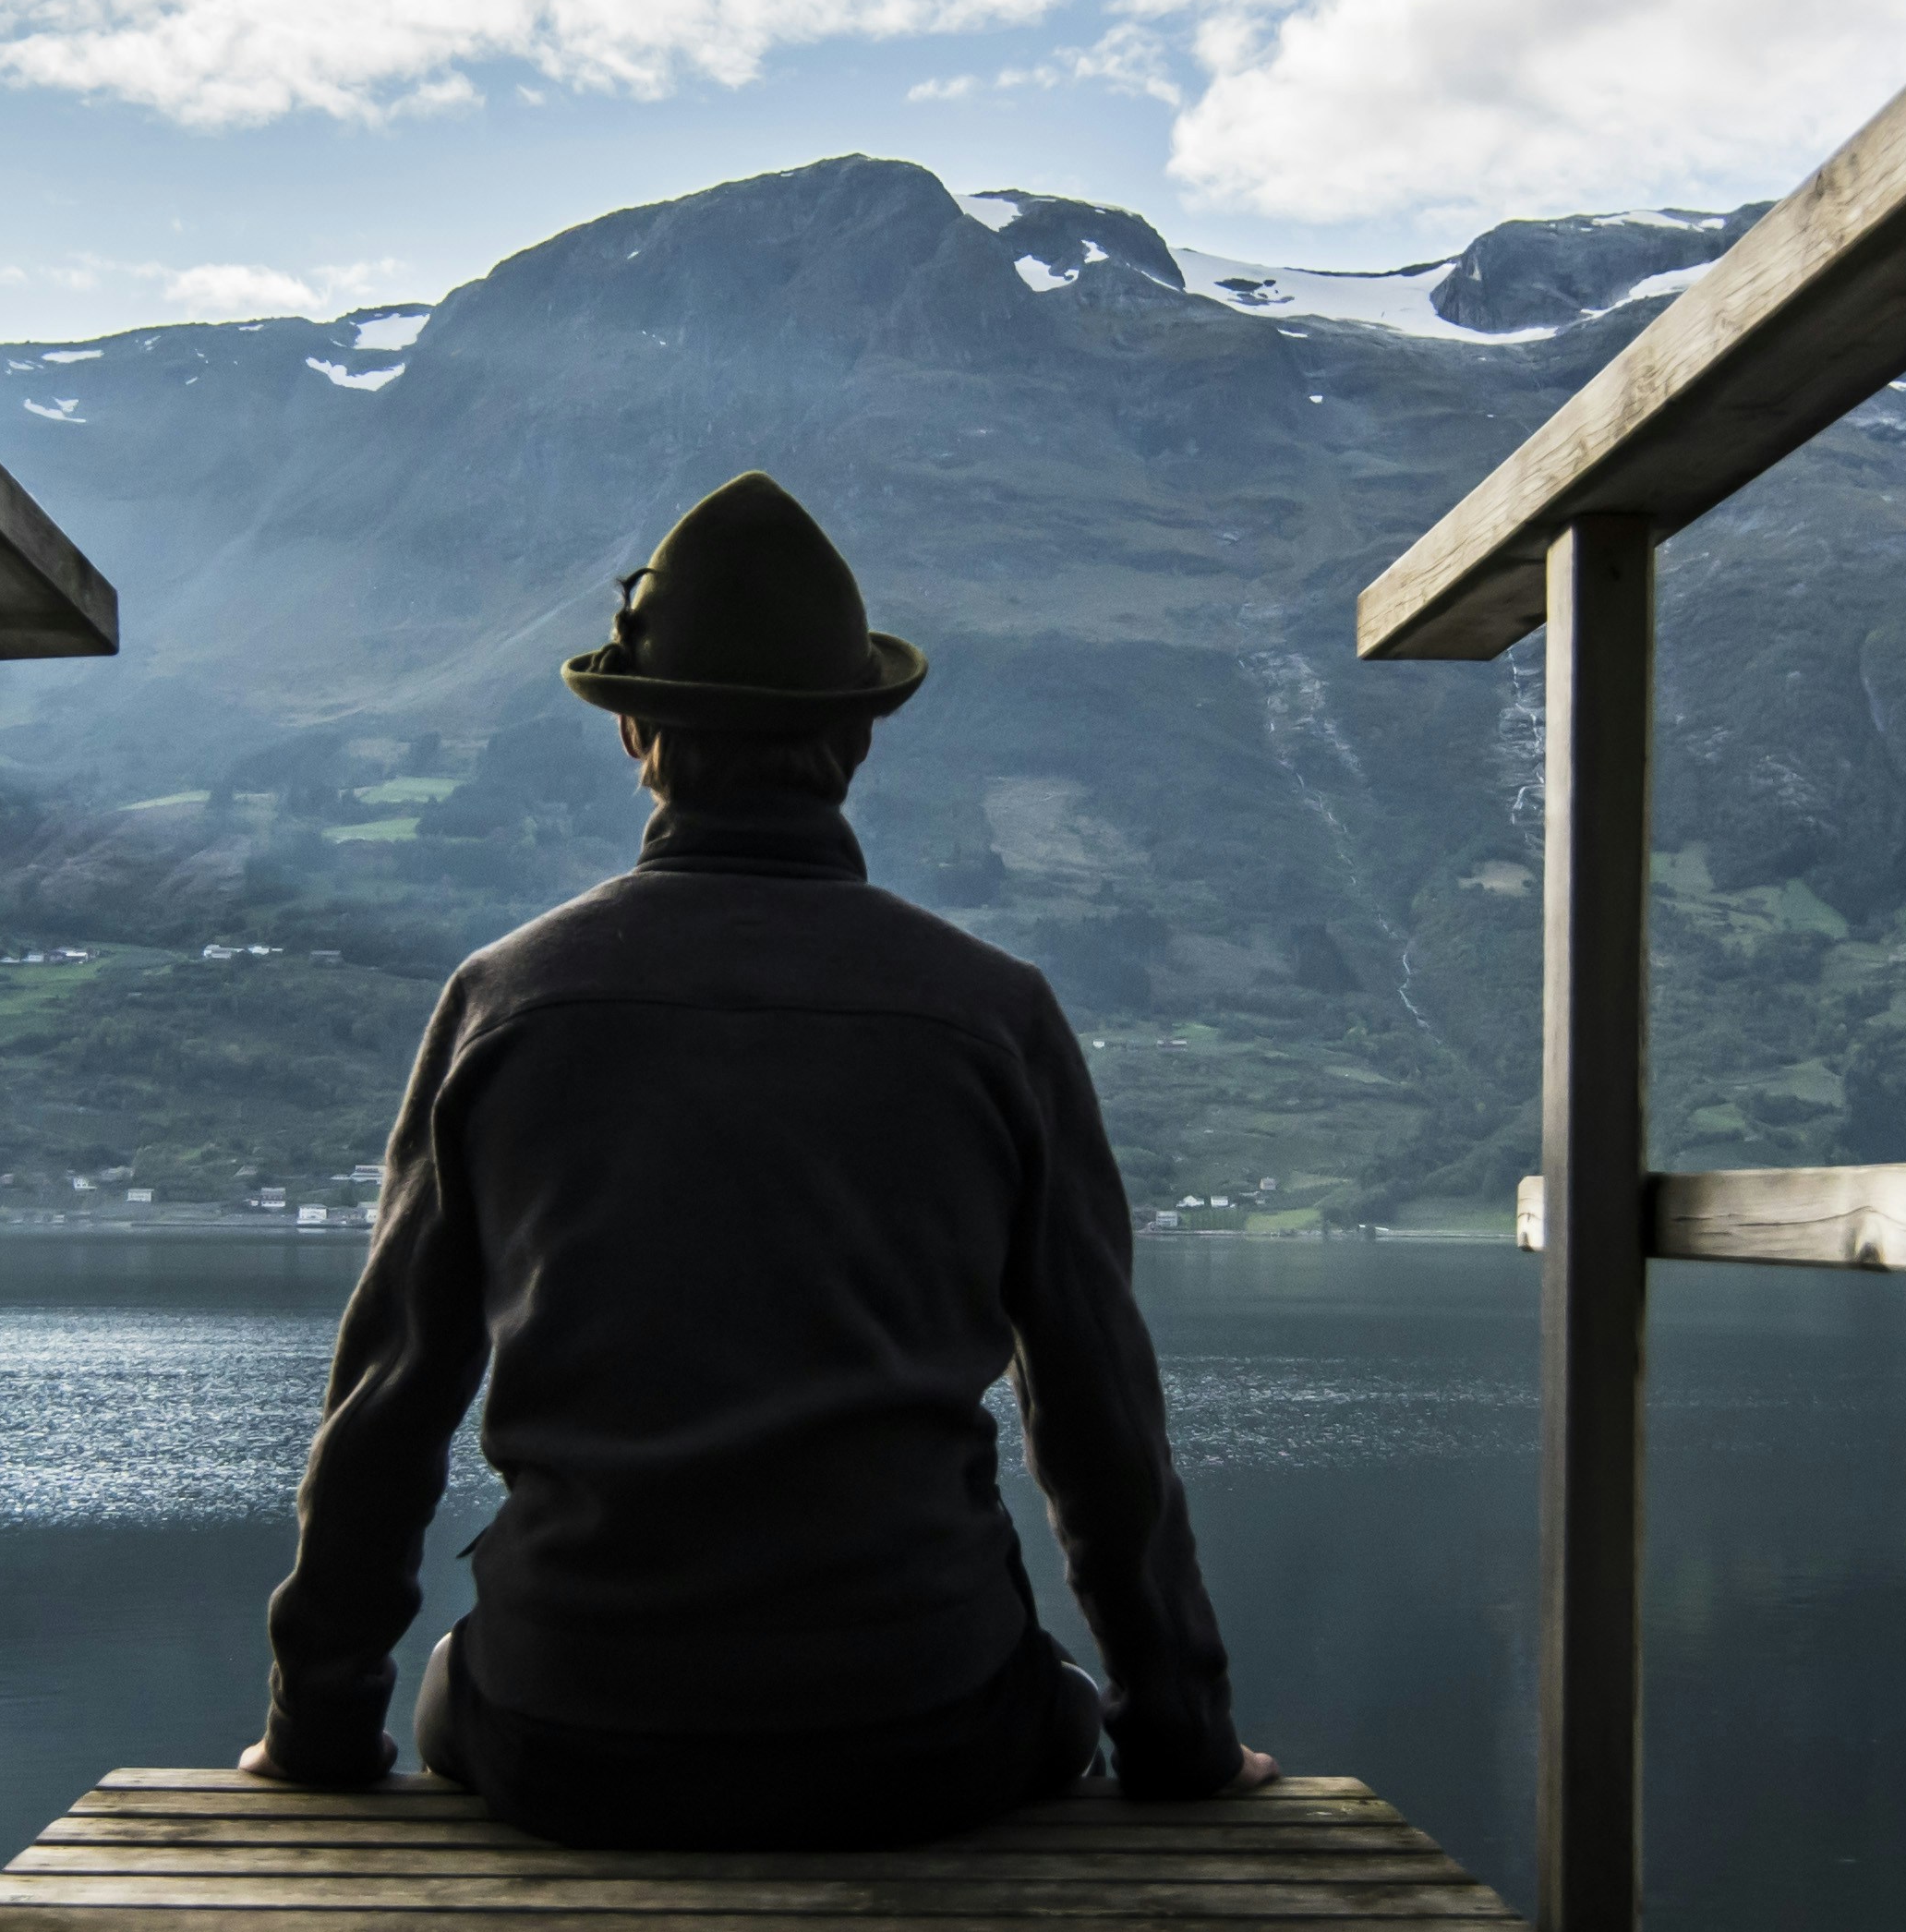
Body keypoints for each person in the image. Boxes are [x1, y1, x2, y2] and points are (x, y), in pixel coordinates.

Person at [237, 469, 1272, 1845]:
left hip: (567, 1736)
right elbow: (1097, 1418)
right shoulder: (991, 1013)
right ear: (856, 740)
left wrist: (316, 1733)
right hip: (925, 1734)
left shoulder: (506, 1001)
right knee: (1052, 1702)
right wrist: (1182, 1734)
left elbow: (391, 1404)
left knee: (448, 1693)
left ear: (636, 740)